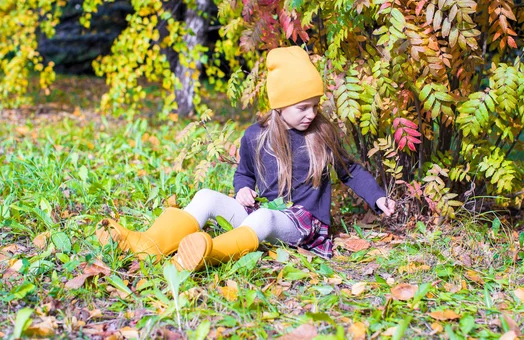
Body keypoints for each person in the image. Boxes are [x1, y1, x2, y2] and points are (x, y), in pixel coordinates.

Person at [97, 46, 396, 271]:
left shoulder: (321, 134)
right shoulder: (256, 136)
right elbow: (244, 173)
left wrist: (377, 197)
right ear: (279, 106)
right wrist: (242, 189)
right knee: (207, 196)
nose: (312, 114)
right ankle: (148, 245)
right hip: (263, 212)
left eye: (315, 105)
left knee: (265, 218)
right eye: (303, 107)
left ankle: (209, 254)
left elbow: (351, 170)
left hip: (304, 224)